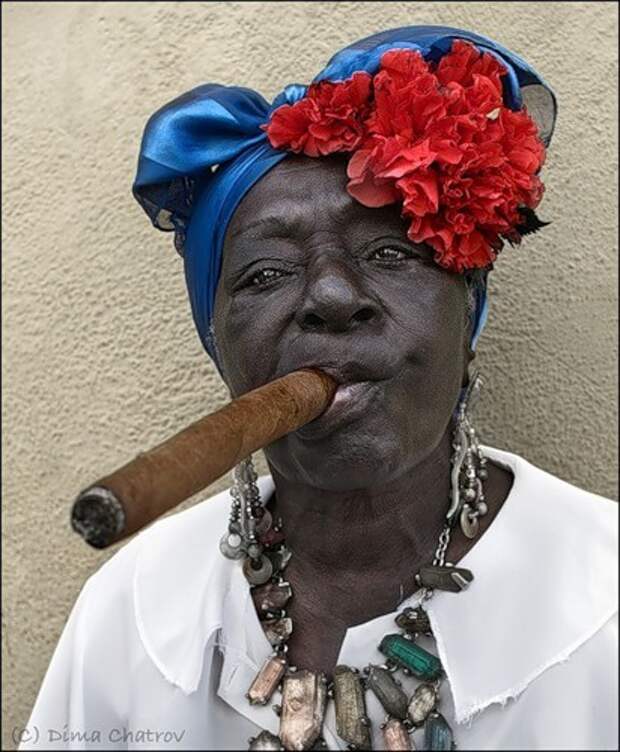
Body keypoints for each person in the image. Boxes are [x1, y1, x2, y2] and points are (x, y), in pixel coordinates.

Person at [21, 26, 617, 751]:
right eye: (267, 273)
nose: (332, 296)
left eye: (391, 251)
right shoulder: (133, 614)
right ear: (219, 342)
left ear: (467, 313)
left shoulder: (604, 596)